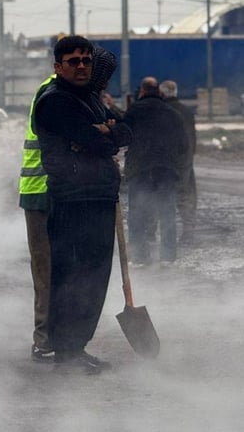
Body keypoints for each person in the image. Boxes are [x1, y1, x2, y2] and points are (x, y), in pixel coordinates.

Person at [33, 36, 131, 374]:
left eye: (86, 60)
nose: (81, 66)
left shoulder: (90, 99)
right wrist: (103, 135)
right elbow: (97, 142)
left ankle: (77, 346)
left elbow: (124, 133)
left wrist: (107, 131)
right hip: (73, 198)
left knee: (93, 278)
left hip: (99, 196)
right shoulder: (55, 101)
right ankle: (65, 353)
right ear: (58, 66)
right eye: (73, 60)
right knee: (71, 277)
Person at [121, 76, 188, 265]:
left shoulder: (134, 111)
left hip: (140, 170)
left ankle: (140, 257)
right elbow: (183, 143)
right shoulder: (172, 113)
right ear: (159, 91)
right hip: (166, 170)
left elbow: (122, 136)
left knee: (137, 214)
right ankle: (167, 256)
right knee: (167, 213)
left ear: (142, 91)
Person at [20, 72, 57, 362]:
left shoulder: (68, 90)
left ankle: (66, 339)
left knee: (65, 268)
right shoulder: (53, 92)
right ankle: (44, 340)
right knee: (46, 269)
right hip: (41, 192)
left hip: (60, 193)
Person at [160, 80, 198, 245]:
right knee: (186, 195)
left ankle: (160, 234)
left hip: (166, 160)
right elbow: (192, 137)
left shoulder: (162, 111)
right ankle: (188, 231)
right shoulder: (186, 111)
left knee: (161, 195)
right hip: (186, 159)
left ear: (162, 93)